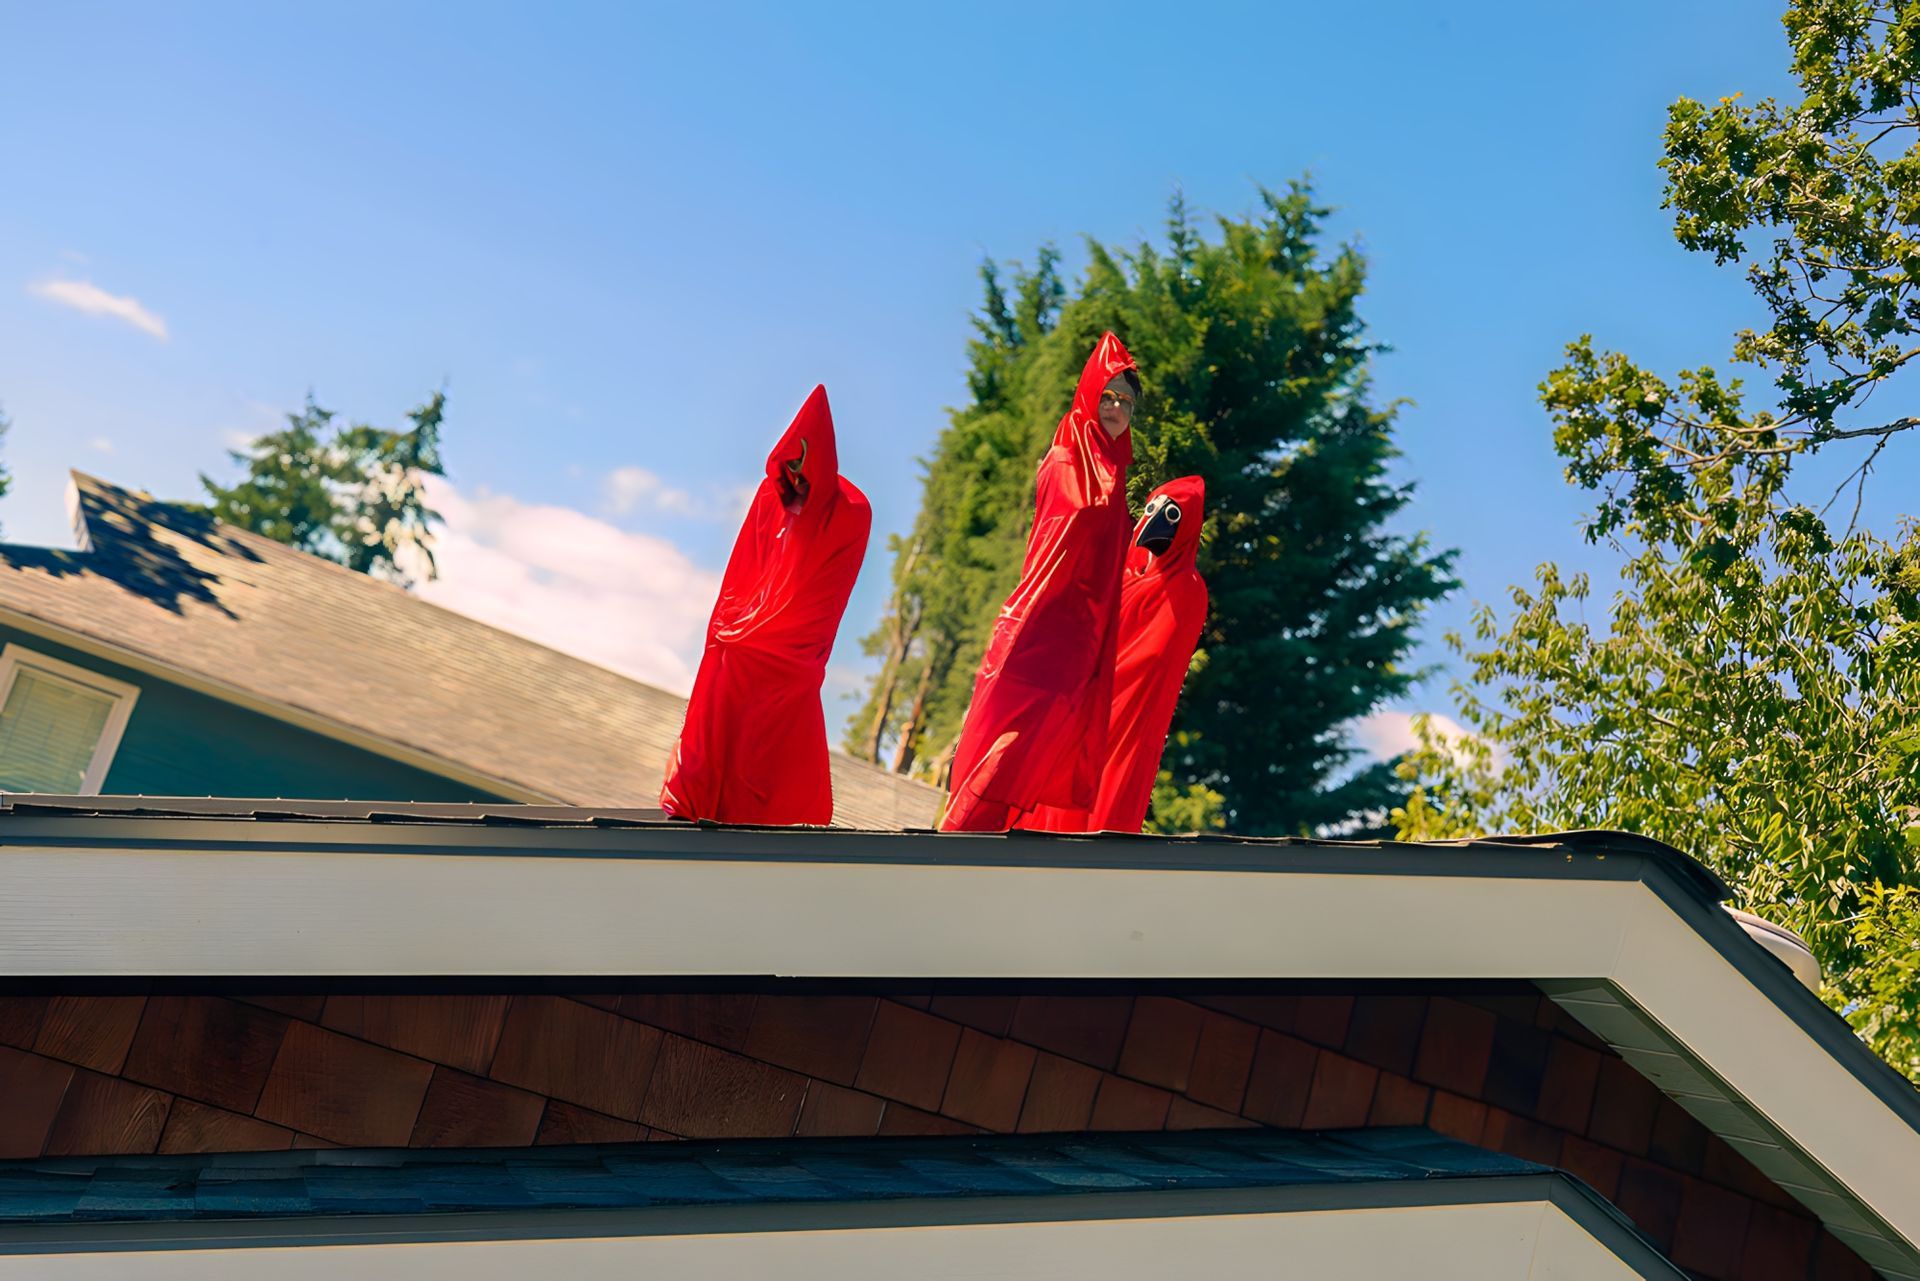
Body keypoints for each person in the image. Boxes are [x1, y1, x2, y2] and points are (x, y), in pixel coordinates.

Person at [941, 332, 1139, 832]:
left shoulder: (1112, 472)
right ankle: (954, 848)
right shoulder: (1067, 458)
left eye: (1127, 402)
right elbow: (1063, 539)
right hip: (1037, 635)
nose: (1115, 408)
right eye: (1108, 395)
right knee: (1001, 752)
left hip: (1074, 646)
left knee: (1030, 761)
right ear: (1088, 394)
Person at [660, 385, 870, 825]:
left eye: (803, 463)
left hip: (793, 653)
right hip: (746, 640)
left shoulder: (850, 510)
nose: (794, 474)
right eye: (788, 463)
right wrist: (734, 630)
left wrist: (777, 635)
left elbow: (825, 592)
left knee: (769, 717)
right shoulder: (768, 499)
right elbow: (743, 571)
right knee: (728, 662)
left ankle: (761, 816)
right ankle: (700, 802)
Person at [1023, 476, 1209, 833]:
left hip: (1129, 714)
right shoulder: (1123, 577)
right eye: (1152, 509)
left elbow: (1156, 661)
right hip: (1084, 704)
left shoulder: (1188, 589)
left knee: (1104, 792)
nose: (1155, 518)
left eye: (1171, 515)